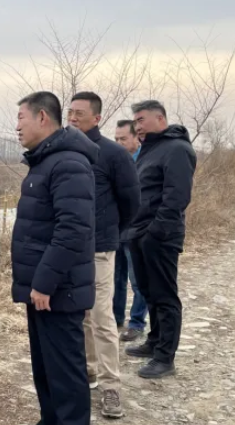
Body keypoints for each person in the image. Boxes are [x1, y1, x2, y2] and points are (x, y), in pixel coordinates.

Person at [12, 91, 98, 425]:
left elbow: (73, 230)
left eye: (21, 117)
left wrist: (44, 283)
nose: (17, 126)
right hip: (44, 290)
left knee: (65, 374)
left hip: (59, 290)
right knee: (46, 369)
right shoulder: (46, 161)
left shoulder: (68, 163)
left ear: (42, 117)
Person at [68, 92, 140, 419]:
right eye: (70, 112)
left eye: (79, 114)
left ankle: (112, 386)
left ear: (96, 118)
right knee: (80, 315)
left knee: (101, 317)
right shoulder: (64, 150)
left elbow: (131, 203)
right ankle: (90, 370)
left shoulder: (113, 154)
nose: (73, 118)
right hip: (69, 249)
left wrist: (111, 231)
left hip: (99, 249)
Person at [125, 100, 197, 379]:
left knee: (164, 294)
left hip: (160, 236)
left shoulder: (177, 149)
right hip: (139, 233)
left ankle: (165, 358)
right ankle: (154, 341)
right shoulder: (149, 149)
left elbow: (177, 197)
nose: (138, 126)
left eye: (141, 120)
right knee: (148, 291)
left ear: (160, 119)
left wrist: (154, 233)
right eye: (135, 122)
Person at [113, 119, 148, 342]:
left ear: (137, 138)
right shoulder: (114, 160)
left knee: (138, 281)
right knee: (116, 278)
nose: (119, 143)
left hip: (136, 230)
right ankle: (115, 318)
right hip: (115, 229)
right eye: (116, 139)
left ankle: (136, 323)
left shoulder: (146, 161)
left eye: (123, 139)